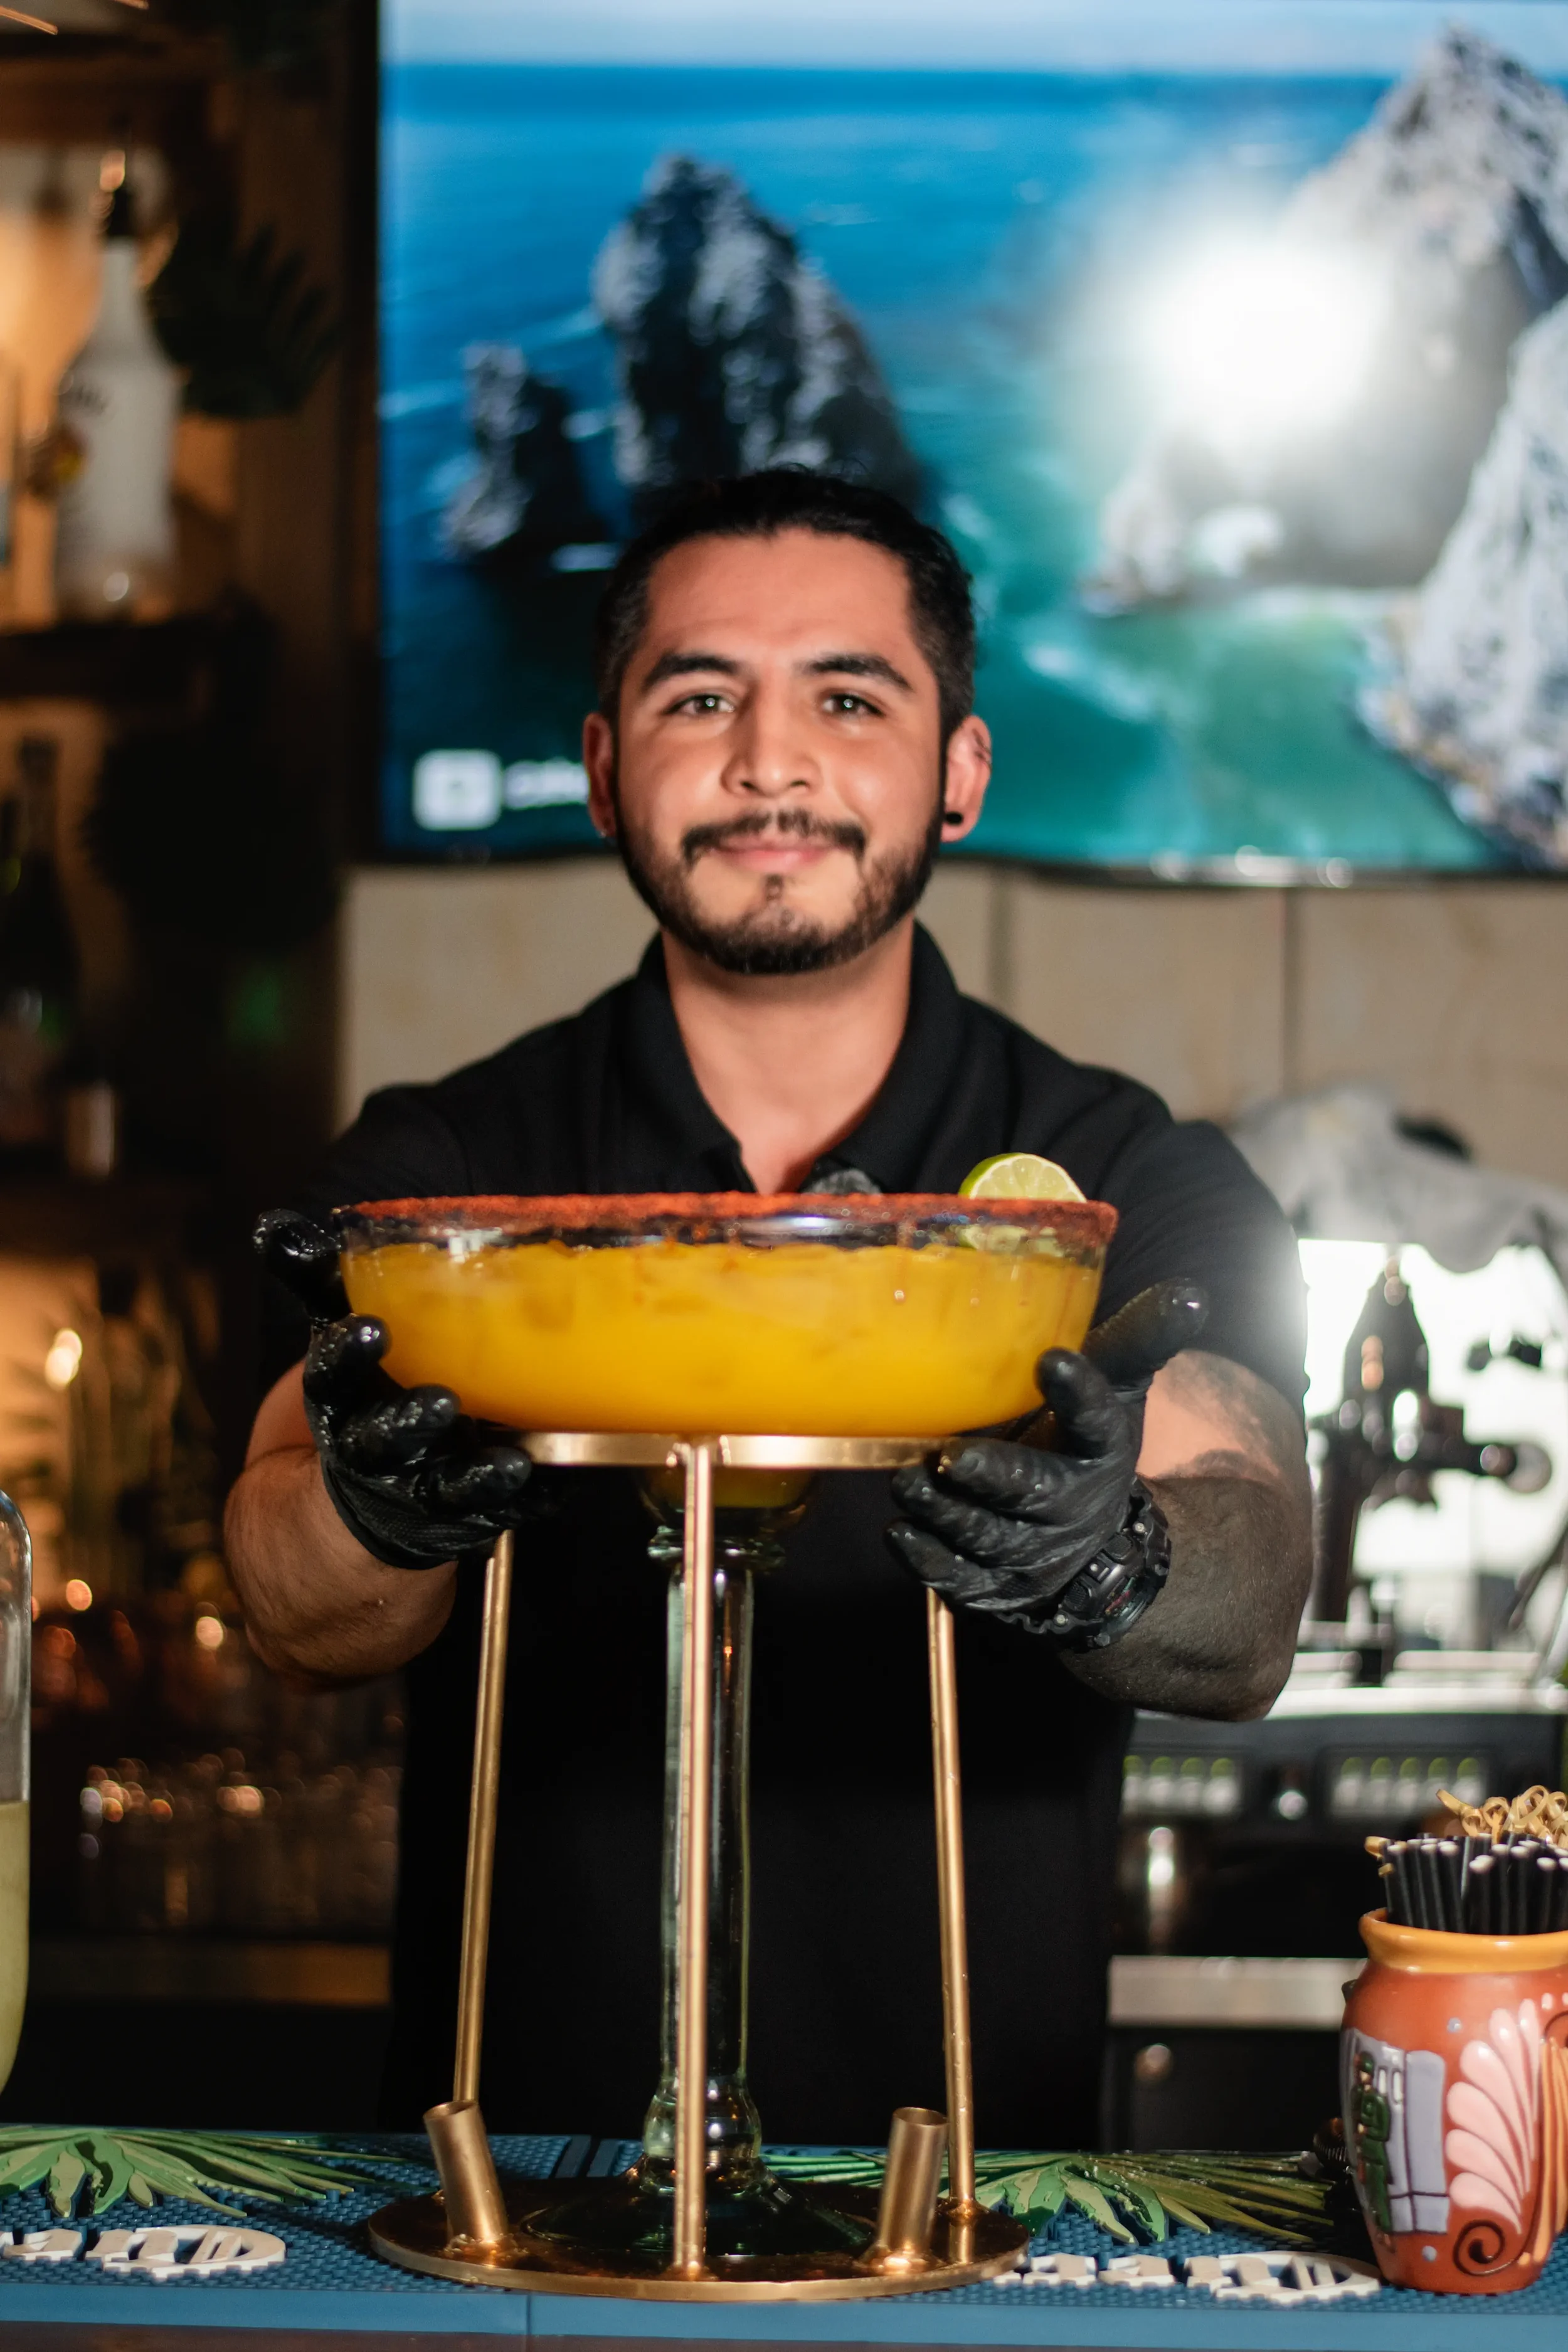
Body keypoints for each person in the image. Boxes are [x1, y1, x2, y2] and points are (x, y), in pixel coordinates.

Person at [226, 469, 1311, 2148]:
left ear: (960, 770)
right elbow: (292, 1597)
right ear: (600, 767)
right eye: (700, 693)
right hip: (515, 2196)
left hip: (972, 2208)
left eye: (847, 694)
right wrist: (370, 1514)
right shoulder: (440, 1172)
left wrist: (1122, 1555)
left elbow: (1248, 1595)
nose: (768, 760)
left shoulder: (1117, 1178)